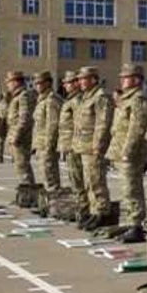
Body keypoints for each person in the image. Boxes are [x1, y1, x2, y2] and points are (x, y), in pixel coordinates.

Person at [106, 64, 147, 242]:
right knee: (127, 190)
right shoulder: (127, 99)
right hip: (122, 151)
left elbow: (137, 129)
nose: (122, 80)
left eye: (125, 77)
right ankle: (131, 222)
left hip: (131, 153)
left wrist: (128, 151)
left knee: (132, 189)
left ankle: (136, 226)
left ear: (136, 79)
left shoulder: (139, 99)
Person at [73, 67, 113, 229]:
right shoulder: (85, 98)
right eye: (80, 79)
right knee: (89, 181)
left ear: (93, 80)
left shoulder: (100, 97)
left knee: (96, 181)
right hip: (84, 146)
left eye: (84, 79)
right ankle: (94, 210)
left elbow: (102, 124)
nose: (80, 82)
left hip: (93, 147)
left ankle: (103, 213)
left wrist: (98, 145)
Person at [58, 72, 87, 222]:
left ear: (76, 83)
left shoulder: (77, 101)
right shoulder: (71, 100)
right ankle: (80, 206)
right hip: (70, 144)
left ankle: (83, 208)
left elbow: (80, 124)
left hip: (75, 144)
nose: (65, 85)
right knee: (74, 177)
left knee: (78, 178)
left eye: (68, 82)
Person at [31, 71, 62, 198]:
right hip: (41, 144)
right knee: (45, 173)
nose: (37, 86)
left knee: (50, 175)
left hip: (47, 144)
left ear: (48, 83)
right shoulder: (41, 100)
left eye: (40, 83)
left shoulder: (51, 100)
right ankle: (51, 201)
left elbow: (52, 125)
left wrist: (49, 146)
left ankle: (55, 202)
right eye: (36, 83)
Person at [4, 71, 36, 188]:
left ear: (16, 82)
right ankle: (28, 193)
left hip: (21, 138)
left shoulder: (23, 96)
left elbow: (25, 118)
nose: (7, 85)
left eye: (9, 82)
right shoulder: (16, 96)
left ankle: (30, 195)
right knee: (21, 167)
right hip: (17, 137)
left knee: (23, 167)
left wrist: (16, 135)